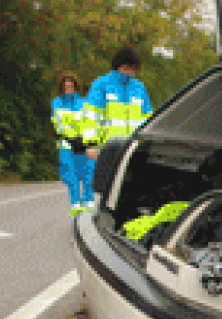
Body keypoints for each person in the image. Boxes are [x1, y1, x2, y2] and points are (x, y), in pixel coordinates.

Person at [84, 47, 150, 163]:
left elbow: (147, 118)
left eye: (133, 68)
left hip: (132, 149)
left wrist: (147, 143)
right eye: (126, 68)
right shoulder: (101, 84)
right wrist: (91, 143)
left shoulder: (140, 88)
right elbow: (90, 115)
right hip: (106, 148)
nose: (130, 72)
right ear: (118, 66)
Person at [50, 71, 93, 215]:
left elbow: (88, 123)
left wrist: (86, 141)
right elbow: (58, 124)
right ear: (61, 87)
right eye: (65, 85)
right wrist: (69, 138)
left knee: (87, 174)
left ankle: (88, 205)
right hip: (66, 144)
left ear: (76, 86)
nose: (68, 88)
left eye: (71, 85)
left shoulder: (84, 103)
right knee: (71, 175)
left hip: (82, 143)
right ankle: (75, 205)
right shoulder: (56, 103)